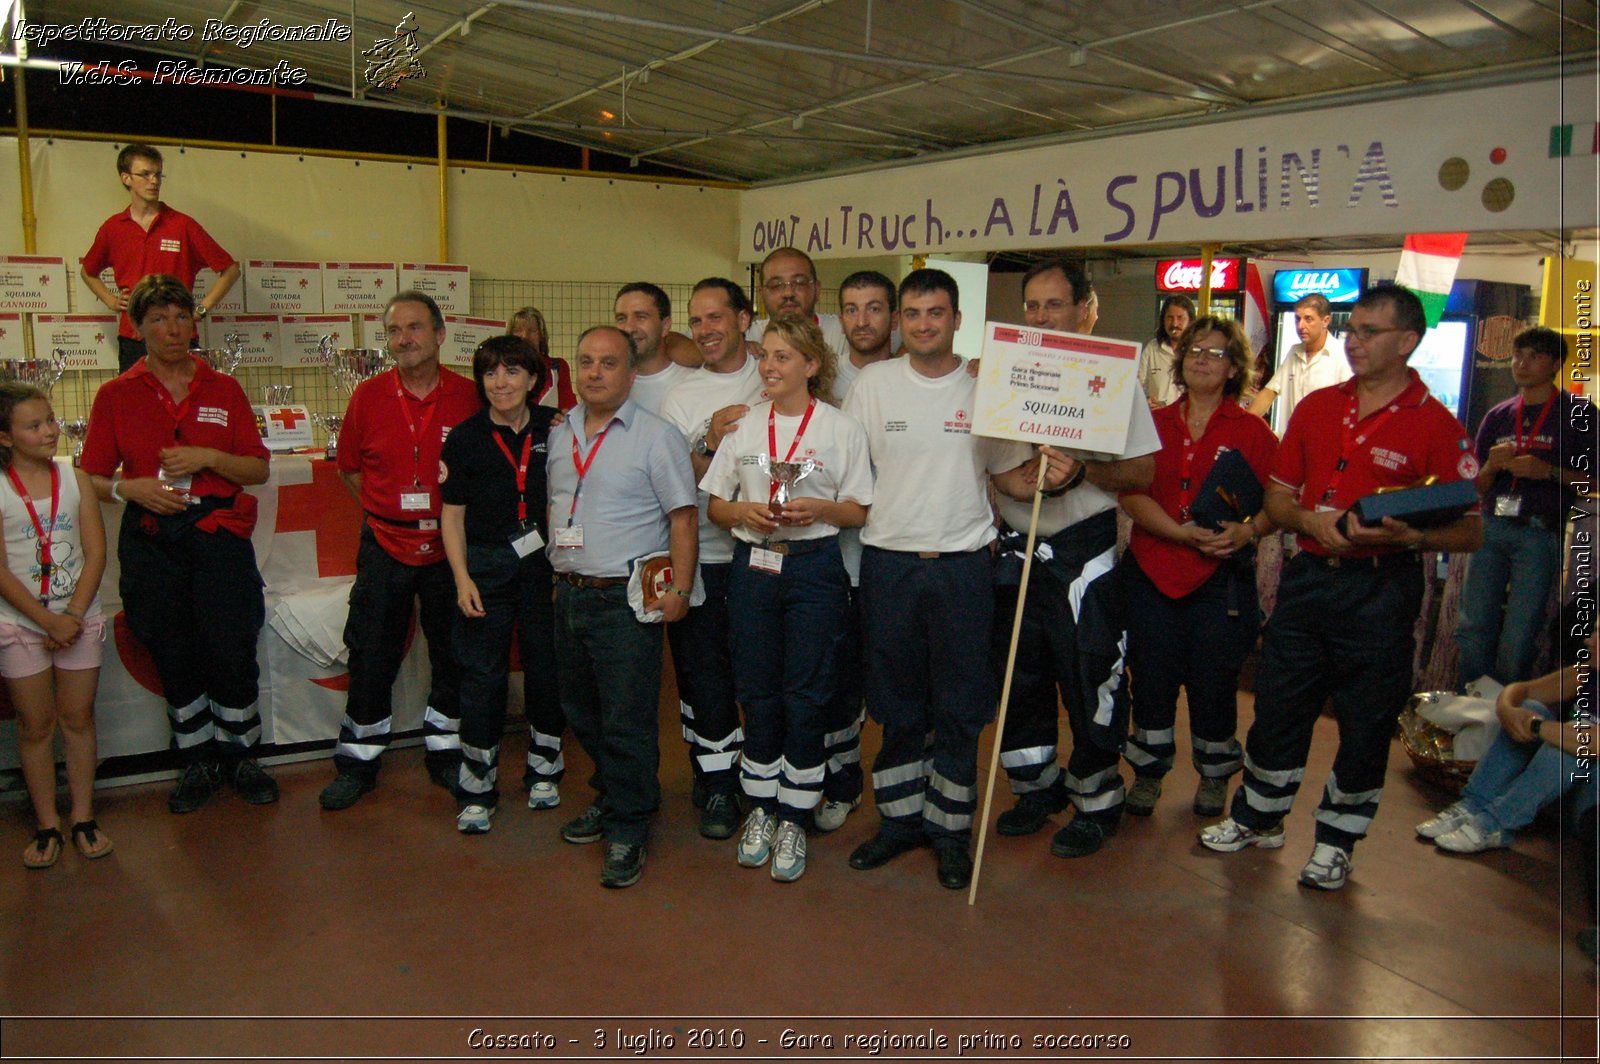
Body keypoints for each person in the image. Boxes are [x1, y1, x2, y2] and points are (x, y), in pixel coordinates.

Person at [1200, 286, 1484, 891]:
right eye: (1352, 329)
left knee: (1363, 719)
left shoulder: (1435, 424)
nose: (1353, 340)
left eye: (1369, 331)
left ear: (1407, 341)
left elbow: (1470, 532)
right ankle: (1259, 817)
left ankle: (1336, 841)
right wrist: (1307, 520)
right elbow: (1279, 494)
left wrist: (1411, 536)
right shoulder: (1318, 407)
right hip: (1308, 578)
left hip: (1381, 589)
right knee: (1277, 703)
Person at [843, 267, 1062, 890]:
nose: (922, 325)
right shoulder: (873, 386)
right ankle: (898, 821)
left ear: (958, 320)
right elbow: (846, 469)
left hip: (966, 567)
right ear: (899, 322)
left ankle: (949, 831)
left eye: (935, 313)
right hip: (888, 565)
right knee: (896, 703)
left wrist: (1054, 469)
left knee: (961, 707)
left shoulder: (986, 387)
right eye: (911, 315)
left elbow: (1012, 478)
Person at [80, 274, 274, 813]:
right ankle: (196, 760)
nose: (172, 329)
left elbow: (257, 468)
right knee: (173, 650)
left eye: (181, 316)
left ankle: (241, 755)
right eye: (159, 319)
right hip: (153, 540)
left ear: (194, 322)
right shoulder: (116, 395)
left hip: (218, 537)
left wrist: (209, 458)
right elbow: (88, 477)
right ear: (137, 327)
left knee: (232, 647)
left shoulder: (224, 388)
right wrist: (127, 488)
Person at [987, 259, 1159, 860]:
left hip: (1084, 552)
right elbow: (988, 464)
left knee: (1090, 677)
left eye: (1053, 305)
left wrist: (1085, 471)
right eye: (1031, 306)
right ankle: (1036, 789)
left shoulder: (1113, 378)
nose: (1039, 317)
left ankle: (1096, 797)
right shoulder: (1004, 376)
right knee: (1018, 678)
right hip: (1015, 550)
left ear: (1085, 310)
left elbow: (1143, 471)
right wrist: (1008, 486)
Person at [702, 316, 873, 881]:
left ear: (812, 365)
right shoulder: (746, 427)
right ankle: (762, 809)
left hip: (815, 569)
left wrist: (821, 510)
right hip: (754, 564)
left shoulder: (841, 428)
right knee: (758, 687)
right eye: (766, 357)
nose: (770, 367)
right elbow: (715, 505)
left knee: (807, 691)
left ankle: (796, 815)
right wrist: (742, 513)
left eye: (783, 357)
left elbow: (859, 509)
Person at [319, 291, 481, 811]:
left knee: (454, 653)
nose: (404, 339)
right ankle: (358, 761)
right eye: (394, 331)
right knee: (370, 653)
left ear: (440, 335)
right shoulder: (367, 396)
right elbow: (348, 468)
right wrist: (385, 510)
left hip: (450, 546)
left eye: (415, 328)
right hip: (386, 542)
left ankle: (446, 753)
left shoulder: (470, 396)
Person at [549, 325, 698, 889]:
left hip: (625, 599)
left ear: (631, 374)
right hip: (568, 594)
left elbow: (683, 516)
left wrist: (680, 590)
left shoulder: (656, 437)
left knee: (627, 718)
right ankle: (614, 795)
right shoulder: (560, 432)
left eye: (608, 363)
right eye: (585, 361)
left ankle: (629, 826)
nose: (594, 372)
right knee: (581, 711)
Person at [1119, 317, 1277, 819]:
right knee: (1150, 679)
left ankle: (1213, 777)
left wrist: (1249, 531)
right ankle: (1147, 773)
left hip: (1219, 580)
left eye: (1214, 353)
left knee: (1214, 682)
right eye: (1194, 352)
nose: (1202, 360)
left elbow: (1281, 501)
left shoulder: (1253, 431)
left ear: (1234, 367)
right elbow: (1132, 494)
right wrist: (1178, 532)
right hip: (1152, 569)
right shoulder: (1153, 422)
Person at [658, 277, 766, 839]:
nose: (705, 331)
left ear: (745, 319)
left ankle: (764, 780)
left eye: (716, 318)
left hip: (764, 555)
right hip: (701, 553)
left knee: (759, 672)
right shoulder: (682, 395)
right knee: (704, 675)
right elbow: (683, 479)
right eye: (696, 321)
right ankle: (718, 782)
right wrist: (709, 439)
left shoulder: (774, 371)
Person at [440, 336, 562, 833]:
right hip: (486, 568)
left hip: (545, 566)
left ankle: (545, 768)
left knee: (545, 669)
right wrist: (462, 578)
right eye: (491, 373)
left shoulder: (557, 429)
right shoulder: (465, 438)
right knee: (482, 677)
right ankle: (477, 785)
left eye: (513, 371)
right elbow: (451, 517)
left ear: (534, 380)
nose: (501, 382)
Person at [1, 384, 110, 868]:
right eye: (33, 425)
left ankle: (83, 816)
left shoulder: (75, 477)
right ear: (5, 437)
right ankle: (47, 823)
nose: (49, 431)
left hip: (78, 617)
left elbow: (96, 552)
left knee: (78, 719)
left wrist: (71, 617)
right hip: (20, 624)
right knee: (36, 725)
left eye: (50, 420)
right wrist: (44, 619)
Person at [1454, 327, 1592, 689]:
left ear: (1556, 364)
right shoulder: (1498, 415)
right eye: (1517, 355)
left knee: (1520, 633)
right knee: (1473, 627)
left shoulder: (1578, 414)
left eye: (1533, 356)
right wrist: (1491, 467)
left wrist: (1548, 471)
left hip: (1538, 531)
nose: (1521, 363)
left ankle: (1506, 719)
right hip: (1490, 525)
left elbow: (1593, 484)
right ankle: (1470, 714)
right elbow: (1473, 488)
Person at [813, 270, 899, 834]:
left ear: (892, 315)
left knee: (896, 684)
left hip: (897, 556)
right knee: (838, 685)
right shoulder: (818, 374)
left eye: (873, 308)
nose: (862, 319)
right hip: (837, 560)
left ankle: (902, 797)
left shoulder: (920, 375)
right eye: (850, 308)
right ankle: (842, 782)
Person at [1417, 629, 1596, 855]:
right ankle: (1472, 806)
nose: (1588, 640)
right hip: (1568, 787)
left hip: (1591, 802)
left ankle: (1495, 824)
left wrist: (1536, 726)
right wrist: (1507, 709)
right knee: (1531, 709)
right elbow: (1524, 690)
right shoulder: (1588, 672)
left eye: (1599, 634)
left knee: (1572, 746)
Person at [80, 144, 240, 374]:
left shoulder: (183, 225)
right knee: (135, 407)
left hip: (178, 337)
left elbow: (230, 269)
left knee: (184, 405)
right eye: (145, 174)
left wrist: (201, 309)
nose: (153, 181)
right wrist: (111, 301)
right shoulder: (113, 228)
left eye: (157, 174)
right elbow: (88, 271)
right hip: (134, 338)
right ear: (126, 178)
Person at [1246, 294, 1351, 427]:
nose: (1301, 325)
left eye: (1308, 319)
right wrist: (1244, 425)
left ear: (1325, 321)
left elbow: (1350, 406)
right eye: (1297, 319)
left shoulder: (1342, 356)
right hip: (1292, 441)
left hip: (1324, 444)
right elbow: (1269, 392)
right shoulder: (1294, 352)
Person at [745, 247, 848, 359]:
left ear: (817, 290)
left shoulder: (843, 333)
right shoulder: (748, 336)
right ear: (762, 294)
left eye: (799, 283)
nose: (788, 293)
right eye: (776, 285)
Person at [616, 283, 694, 416]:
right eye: (621, 318)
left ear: (665, 326)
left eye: (640, 317)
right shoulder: (610, 385)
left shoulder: (693, 383)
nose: (629, 328)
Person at [506, 307, 577, 411]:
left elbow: (569, 410)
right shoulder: (502, 369)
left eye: (532, 330)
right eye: (518, 330)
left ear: (541, 335)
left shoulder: (558, 367)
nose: (525, 336)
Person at [1137, 295, 1194, 408]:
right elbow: (1138, 387)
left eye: (1180, 318)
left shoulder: (1196, 353)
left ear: (1190, 321)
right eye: (1170, 318)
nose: (1174, 324)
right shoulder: (1152, 348)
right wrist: (1147, 401)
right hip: (1155, 420)